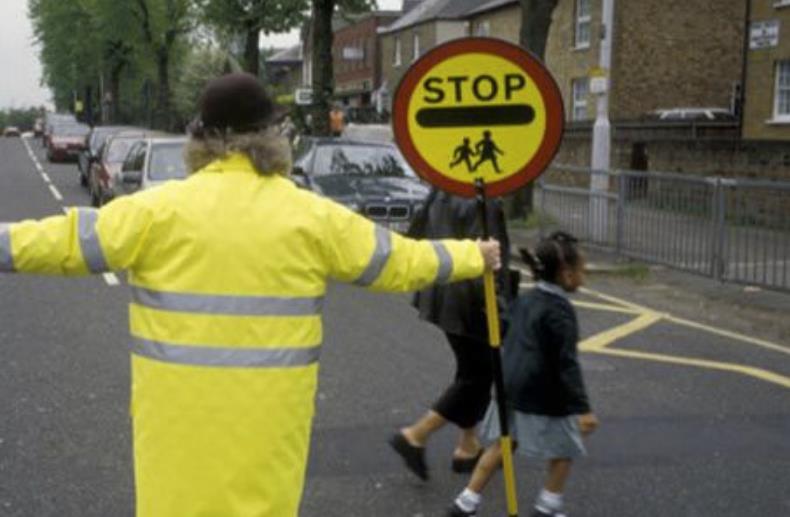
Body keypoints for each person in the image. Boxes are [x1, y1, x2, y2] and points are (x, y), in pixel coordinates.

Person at [0, 73, 502, 517]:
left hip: (174, 424)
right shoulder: (309, 215)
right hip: (271, 425)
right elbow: (401, 262)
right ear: (272, 138)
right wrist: (472, 255)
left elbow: (62, 242)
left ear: (199, 140)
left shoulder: (157, 211)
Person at [447, 231, 599, 517]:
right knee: (565, 450)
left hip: (510, 385)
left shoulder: (526, 300)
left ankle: (465, 502)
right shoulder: (560, 311)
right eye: (582, 270)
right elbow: (566, 364)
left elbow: (504, 329)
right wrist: (583, 408)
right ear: (566, 274)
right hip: (542, 393)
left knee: (502, 445)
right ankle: (547, 507)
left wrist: (492, 302)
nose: (584, 276)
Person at [389, 188, 513, 481]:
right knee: (478, 376)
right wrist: (498, 305)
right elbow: (487, 259)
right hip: (471, 299)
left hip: (441, 290)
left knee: (473, 370)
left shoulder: (441, 190)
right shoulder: (485, 202)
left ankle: (467, 447)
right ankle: (415, 435)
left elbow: (414, 235)